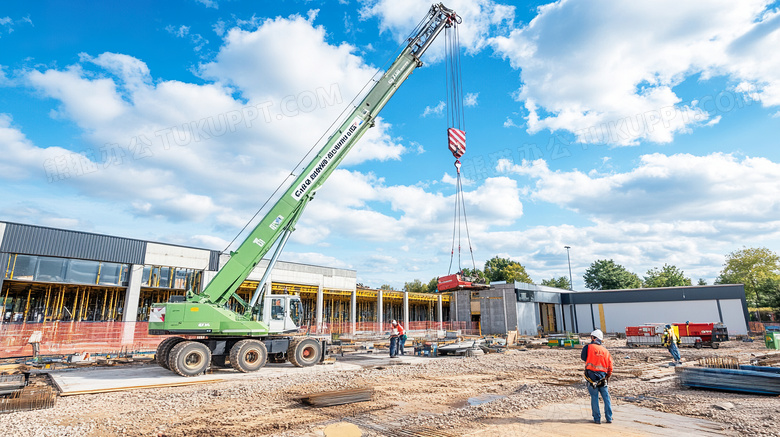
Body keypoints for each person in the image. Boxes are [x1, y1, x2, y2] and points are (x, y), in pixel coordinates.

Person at [581, 329, 613, 424]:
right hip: (603, 378)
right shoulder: (605, 351)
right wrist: (607, 376)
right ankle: (609, 418)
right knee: (606, 397)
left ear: (593, 338)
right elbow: (610, 366)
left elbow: (583, 357)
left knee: (594, 397)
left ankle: (597, 419)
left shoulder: (588, 347)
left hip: (591, 378)